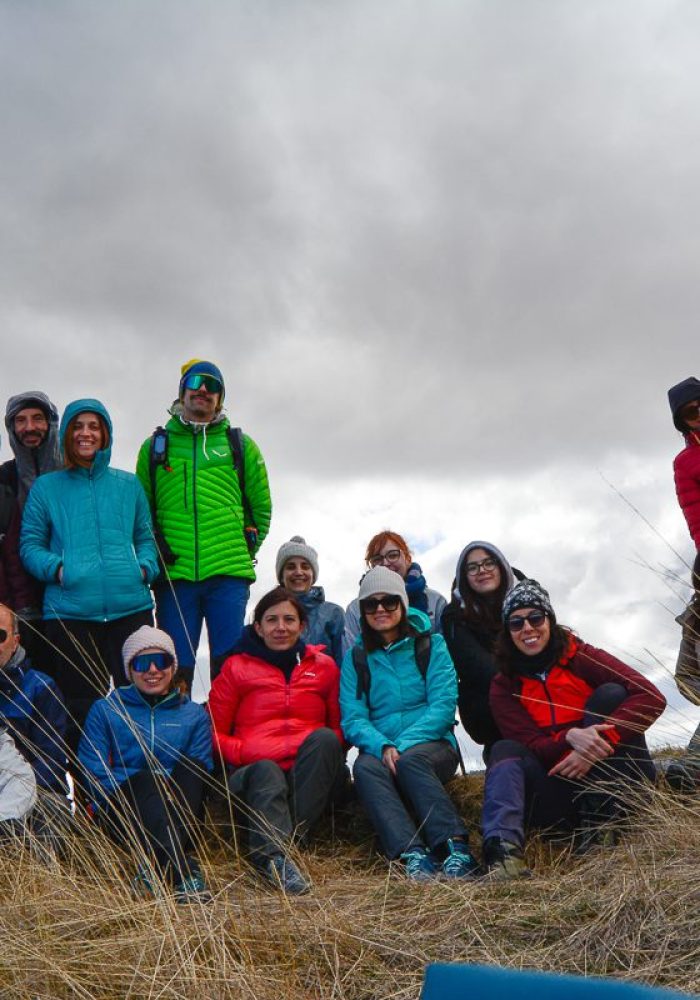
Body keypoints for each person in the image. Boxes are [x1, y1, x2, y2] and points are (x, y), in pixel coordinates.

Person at [481, 580, 666, 879]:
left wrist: (595, 745)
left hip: (618, 784)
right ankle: (503, 853)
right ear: (508, 632)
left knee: (610, 695)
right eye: (516, 623)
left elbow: (651, 697)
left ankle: (604, 825)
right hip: (560, 791)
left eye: (535, 618)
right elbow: (529, 742)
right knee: (502, 750)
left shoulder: (581, 656)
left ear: (550, 621)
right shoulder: (504, 685)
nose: (527, 628)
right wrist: (569, 738)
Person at [20, 399, 158, 754]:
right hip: (70, 616)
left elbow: (146, 537)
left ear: (106, 434)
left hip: (131, 609)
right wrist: (60, 570)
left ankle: (141, 795)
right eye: (78, 426)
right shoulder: (48, 488)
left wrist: (143, 568)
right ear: (66, 434)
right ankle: (89, 802)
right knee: (81, 710)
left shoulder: (128, 486)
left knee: (142, 701)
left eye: (94, 426)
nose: (86, 433)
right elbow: (31, 546)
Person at [136, 359, 272, 689]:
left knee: (230, 667)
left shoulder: (241, 445)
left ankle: (225, 739)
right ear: (182, 391)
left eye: (213, 386)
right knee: (173, 667)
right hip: (175, 575)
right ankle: (180, 738)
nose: (203, 390)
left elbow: (262, 509)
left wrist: (240, 549)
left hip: (228, 576)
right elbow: (141, 513)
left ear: (220, 399)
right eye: (196, 382)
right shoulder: (156, 446)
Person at [340, 567, 478, 881]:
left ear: (402, 604)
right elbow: (353, 716)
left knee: (412, 762)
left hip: (433, 746)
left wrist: (399, 747)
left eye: (389, 601)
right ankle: (412, 853)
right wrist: (383, 745)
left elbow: (442, 706)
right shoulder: (356, 657)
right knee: (363, 768)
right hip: (382, 747)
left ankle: (455, 848)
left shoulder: (432, 645)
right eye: (370, 604)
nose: (380, 610)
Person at [209, 586, 344, 895]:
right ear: (258, 627)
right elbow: (213, 732)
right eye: (271, 620)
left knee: (324, 739)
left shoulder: (324, 668)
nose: (280, 628)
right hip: (254, 774)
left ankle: (287, 839)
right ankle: (273, 860)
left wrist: (305, 752)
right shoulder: (236, 667)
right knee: (267, 770)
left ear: (303, 625)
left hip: (305, 775)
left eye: (289, 619)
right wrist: (245, 752)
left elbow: (340, 729)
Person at [79, 626, 213, 902]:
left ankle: (153, 869)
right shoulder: (106, 710)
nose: (152, 670)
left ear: (173, 667)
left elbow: (200, 773)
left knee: (194, 767)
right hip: (123, 813)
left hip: (179, 813)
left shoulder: (193, 714)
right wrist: (149, 790)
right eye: (142, 663)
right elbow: (94, 771)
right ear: (130, 669)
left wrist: (162, 793)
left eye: (161, 661)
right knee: (145, 780)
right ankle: (183, 873)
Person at [441, 541, 522, 757]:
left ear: (502, 566)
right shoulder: (454, 616)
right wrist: (529, 687)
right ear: (463, 575)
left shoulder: (527, 602)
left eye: (489, 563)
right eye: (473, 567)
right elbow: (476, 666)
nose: (482, 571)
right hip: (491, 712)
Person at [0, 392, 62, 659]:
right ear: (11, 428)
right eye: (20, 420)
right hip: (19, 608)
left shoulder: (74, 472)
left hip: (71, 603)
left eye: (38, 418)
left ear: (52, 423)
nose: (29, 427)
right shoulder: (4, 479)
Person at [343, 531, 446, 654]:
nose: (386, 563)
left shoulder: (435, 601)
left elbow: (445, 653)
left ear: (407, 558)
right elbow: (351, 654)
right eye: (377, 559)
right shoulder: (356, 609)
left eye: (393, 555)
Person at [275, 536, 345, 666]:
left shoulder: (334, 614)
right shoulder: (268, 614)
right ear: (281, 576)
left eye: (305, 566)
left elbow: (343, 664)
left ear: (313, 575)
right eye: (290, 567)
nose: (298, 572)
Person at [668, 376, 700, 588]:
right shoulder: (684, 463)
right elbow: (695, 512)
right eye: (691, 412)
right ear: (683, 422)